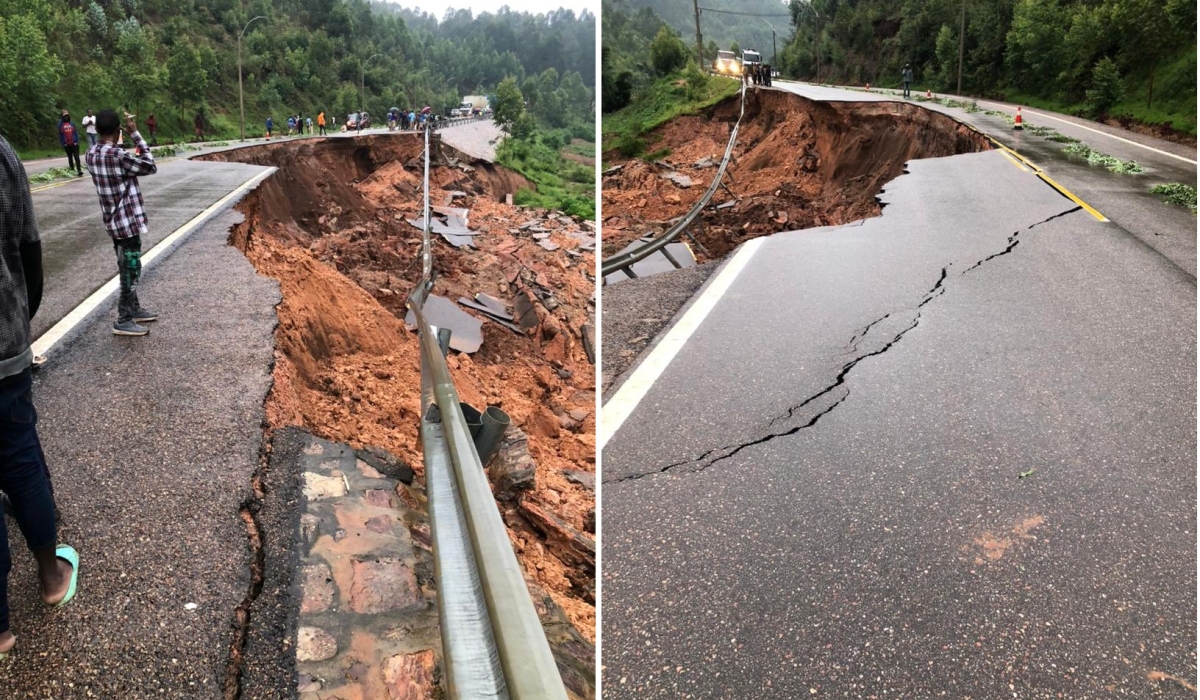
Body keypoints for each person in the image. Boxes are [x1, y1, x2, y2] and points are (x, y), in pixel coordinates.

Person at [0, 133, 80, 661]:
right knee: (20, 458)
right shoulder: (3, 155)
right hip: (2, 344)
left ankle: (0, 628)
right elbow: (30, 251)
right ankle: (51, 576)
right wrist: (20, 324)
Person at [84, 110, 158, 336]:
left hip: (112, 222)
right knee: (131, 269)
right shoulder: (118, 155)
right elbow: (149, 165)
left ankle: (133, 308)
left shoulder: (90, 154)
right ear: (118, 131)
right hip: (127, 223)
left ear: (96, 130)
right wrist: (136, 134)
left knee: (126, 266)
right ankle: (124, 319)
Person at [57, 112, 83, 178]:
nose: (66, 117)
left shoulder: (72, 123)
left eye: (67, 116)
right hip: (66, 144)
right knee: (70, 157)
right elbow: (60, 134)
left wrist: (77, 141)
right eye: (65, 116)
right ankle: (72, 169)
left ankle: (79, 170)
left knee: (76, 157)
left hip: (74, 143)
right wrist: (63, 143)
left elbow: (76, 132)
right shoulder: (61, 124)